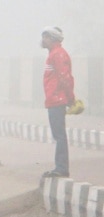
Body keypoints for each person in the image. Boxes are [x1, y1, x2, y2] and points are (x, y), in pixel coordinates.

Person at [41, 26, 75, 178]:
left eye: (45, 37)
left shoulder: (58, 55)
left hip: (57, 99)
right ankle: (60, 167)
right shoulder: (54, 54)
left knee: (59, 135)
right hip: (54, 99)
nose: (43, 40)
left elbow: (65, 77)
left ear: (52, 39)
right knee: (58, 134)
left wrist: (70, 98)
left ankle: (61, 168)